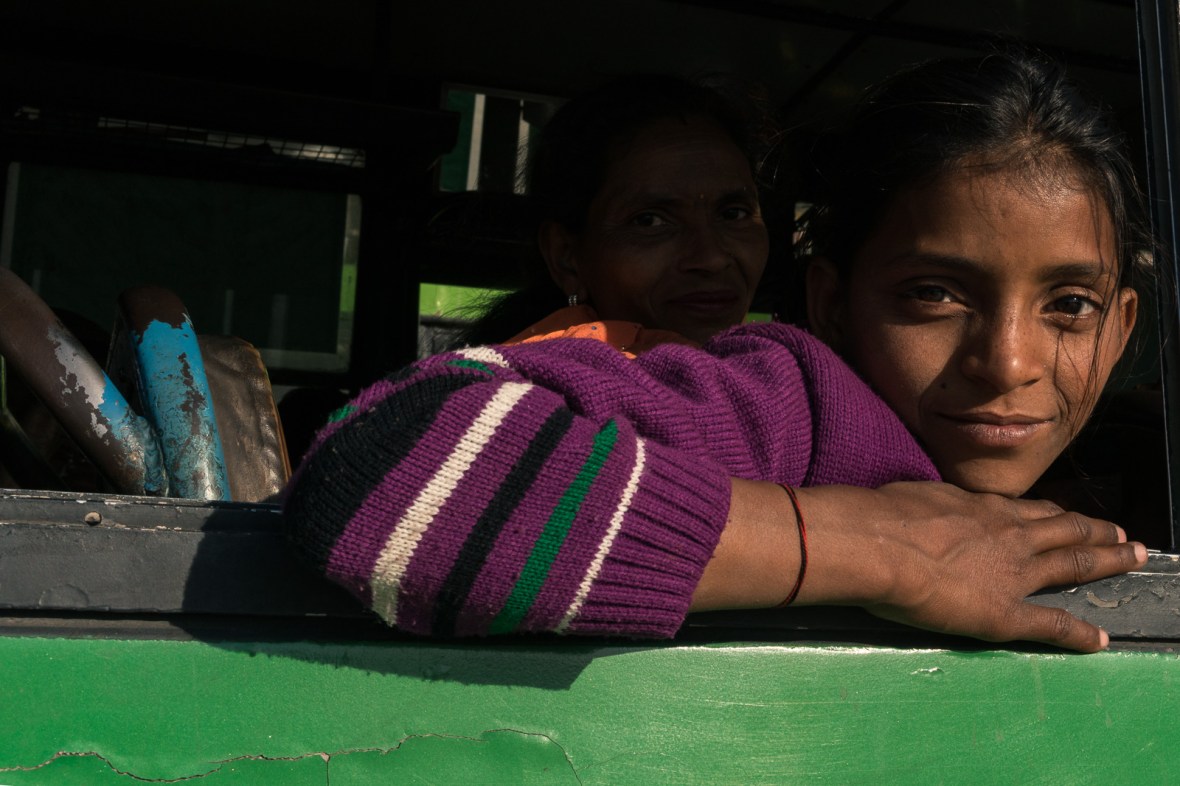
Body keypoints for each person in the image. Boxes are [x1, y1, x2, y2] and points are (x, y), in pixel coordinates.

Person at [283, 51, 1149, 652]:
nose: (1007, 363)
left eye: (1069, 306)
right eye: (933, 294)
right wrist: (875, 545)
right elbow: (386, 470)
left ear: (1122, 330)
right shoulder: (790, 402)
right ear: (831, 305)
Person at [457, 74, 776, 349]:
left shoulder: (788, 387)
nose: (711, 258)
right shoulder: (520, 404)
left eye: (733, 214)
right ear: (566, 258)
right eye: (650, 221)